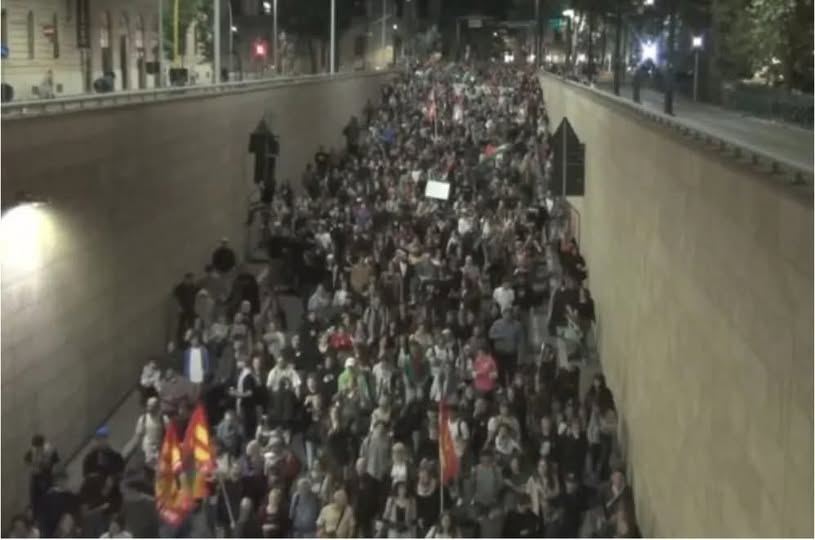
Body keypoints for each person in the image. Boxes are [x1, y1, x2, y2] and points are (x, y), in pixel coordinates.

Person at [24, 434, 60, 519]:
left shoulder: (50, 450)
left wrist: (48, 466)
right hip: (36, 477)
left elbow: (56, 463)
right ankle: (37, 515)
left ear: (43, 445)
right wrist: (33, 466)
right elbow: (26, 461)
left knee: (48, 495)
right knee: (34, 498)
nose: (37, 449)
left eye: (39, 447)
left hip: (47, 476)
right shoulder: (32, 451)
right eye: (36, 447)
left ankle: (50, 512)